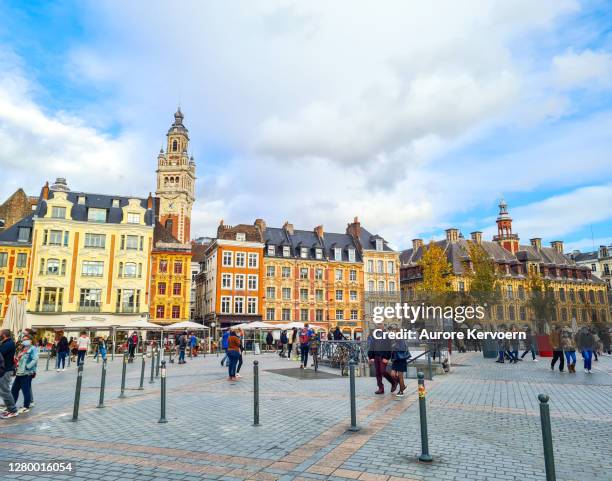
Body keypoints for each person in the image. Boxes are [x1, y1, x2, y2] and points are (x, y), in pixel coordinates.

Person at [11, 333, 38, 414]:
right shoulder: (23, 348)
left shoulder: (33, 348)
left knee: (25, 390)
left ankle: (26, 406)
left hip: (27, 373)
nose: (24, 341)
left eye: (26, 339)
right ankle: (12, 405)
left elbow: (35, 359)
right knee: (14, 390)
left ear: (30, 340)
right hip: (19, 372)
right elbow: (18, 359)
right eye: (23, 340)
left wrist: (28, 367)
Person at [367, 326, 396, 394]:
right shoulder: (374, 336)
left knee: (383, 371)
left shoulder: (386, 337)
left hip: (383, 357)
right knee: (377, 373)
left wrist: (387, 358)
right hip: (376, 356)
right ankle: (381, 388)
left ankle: (393, 382)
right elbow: (371, 347)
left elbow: (389, 348)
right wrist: (370, 357)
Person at [0, 329, 18, 418]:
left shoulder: (8, 344)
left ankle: (13, 410)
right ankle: (9, 408)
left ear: (4, 335)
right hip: (4, 369)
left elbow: (1, 353)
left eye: (0, 334)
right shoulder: (6, 343)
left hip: (6, 370)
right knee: (3, 391)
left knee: (5, 391)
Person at [390, 328, 410, 397]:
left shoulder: (401, 340)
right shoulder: (395, 340)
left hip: (401, 360)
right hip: (395, 360)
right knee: (392, 374)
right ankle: (403, 386)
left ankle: (401, 391)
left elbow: (402, 349)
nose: (393, 333)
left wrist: (394, 346)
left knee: (400, 376)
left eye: (394, 332)